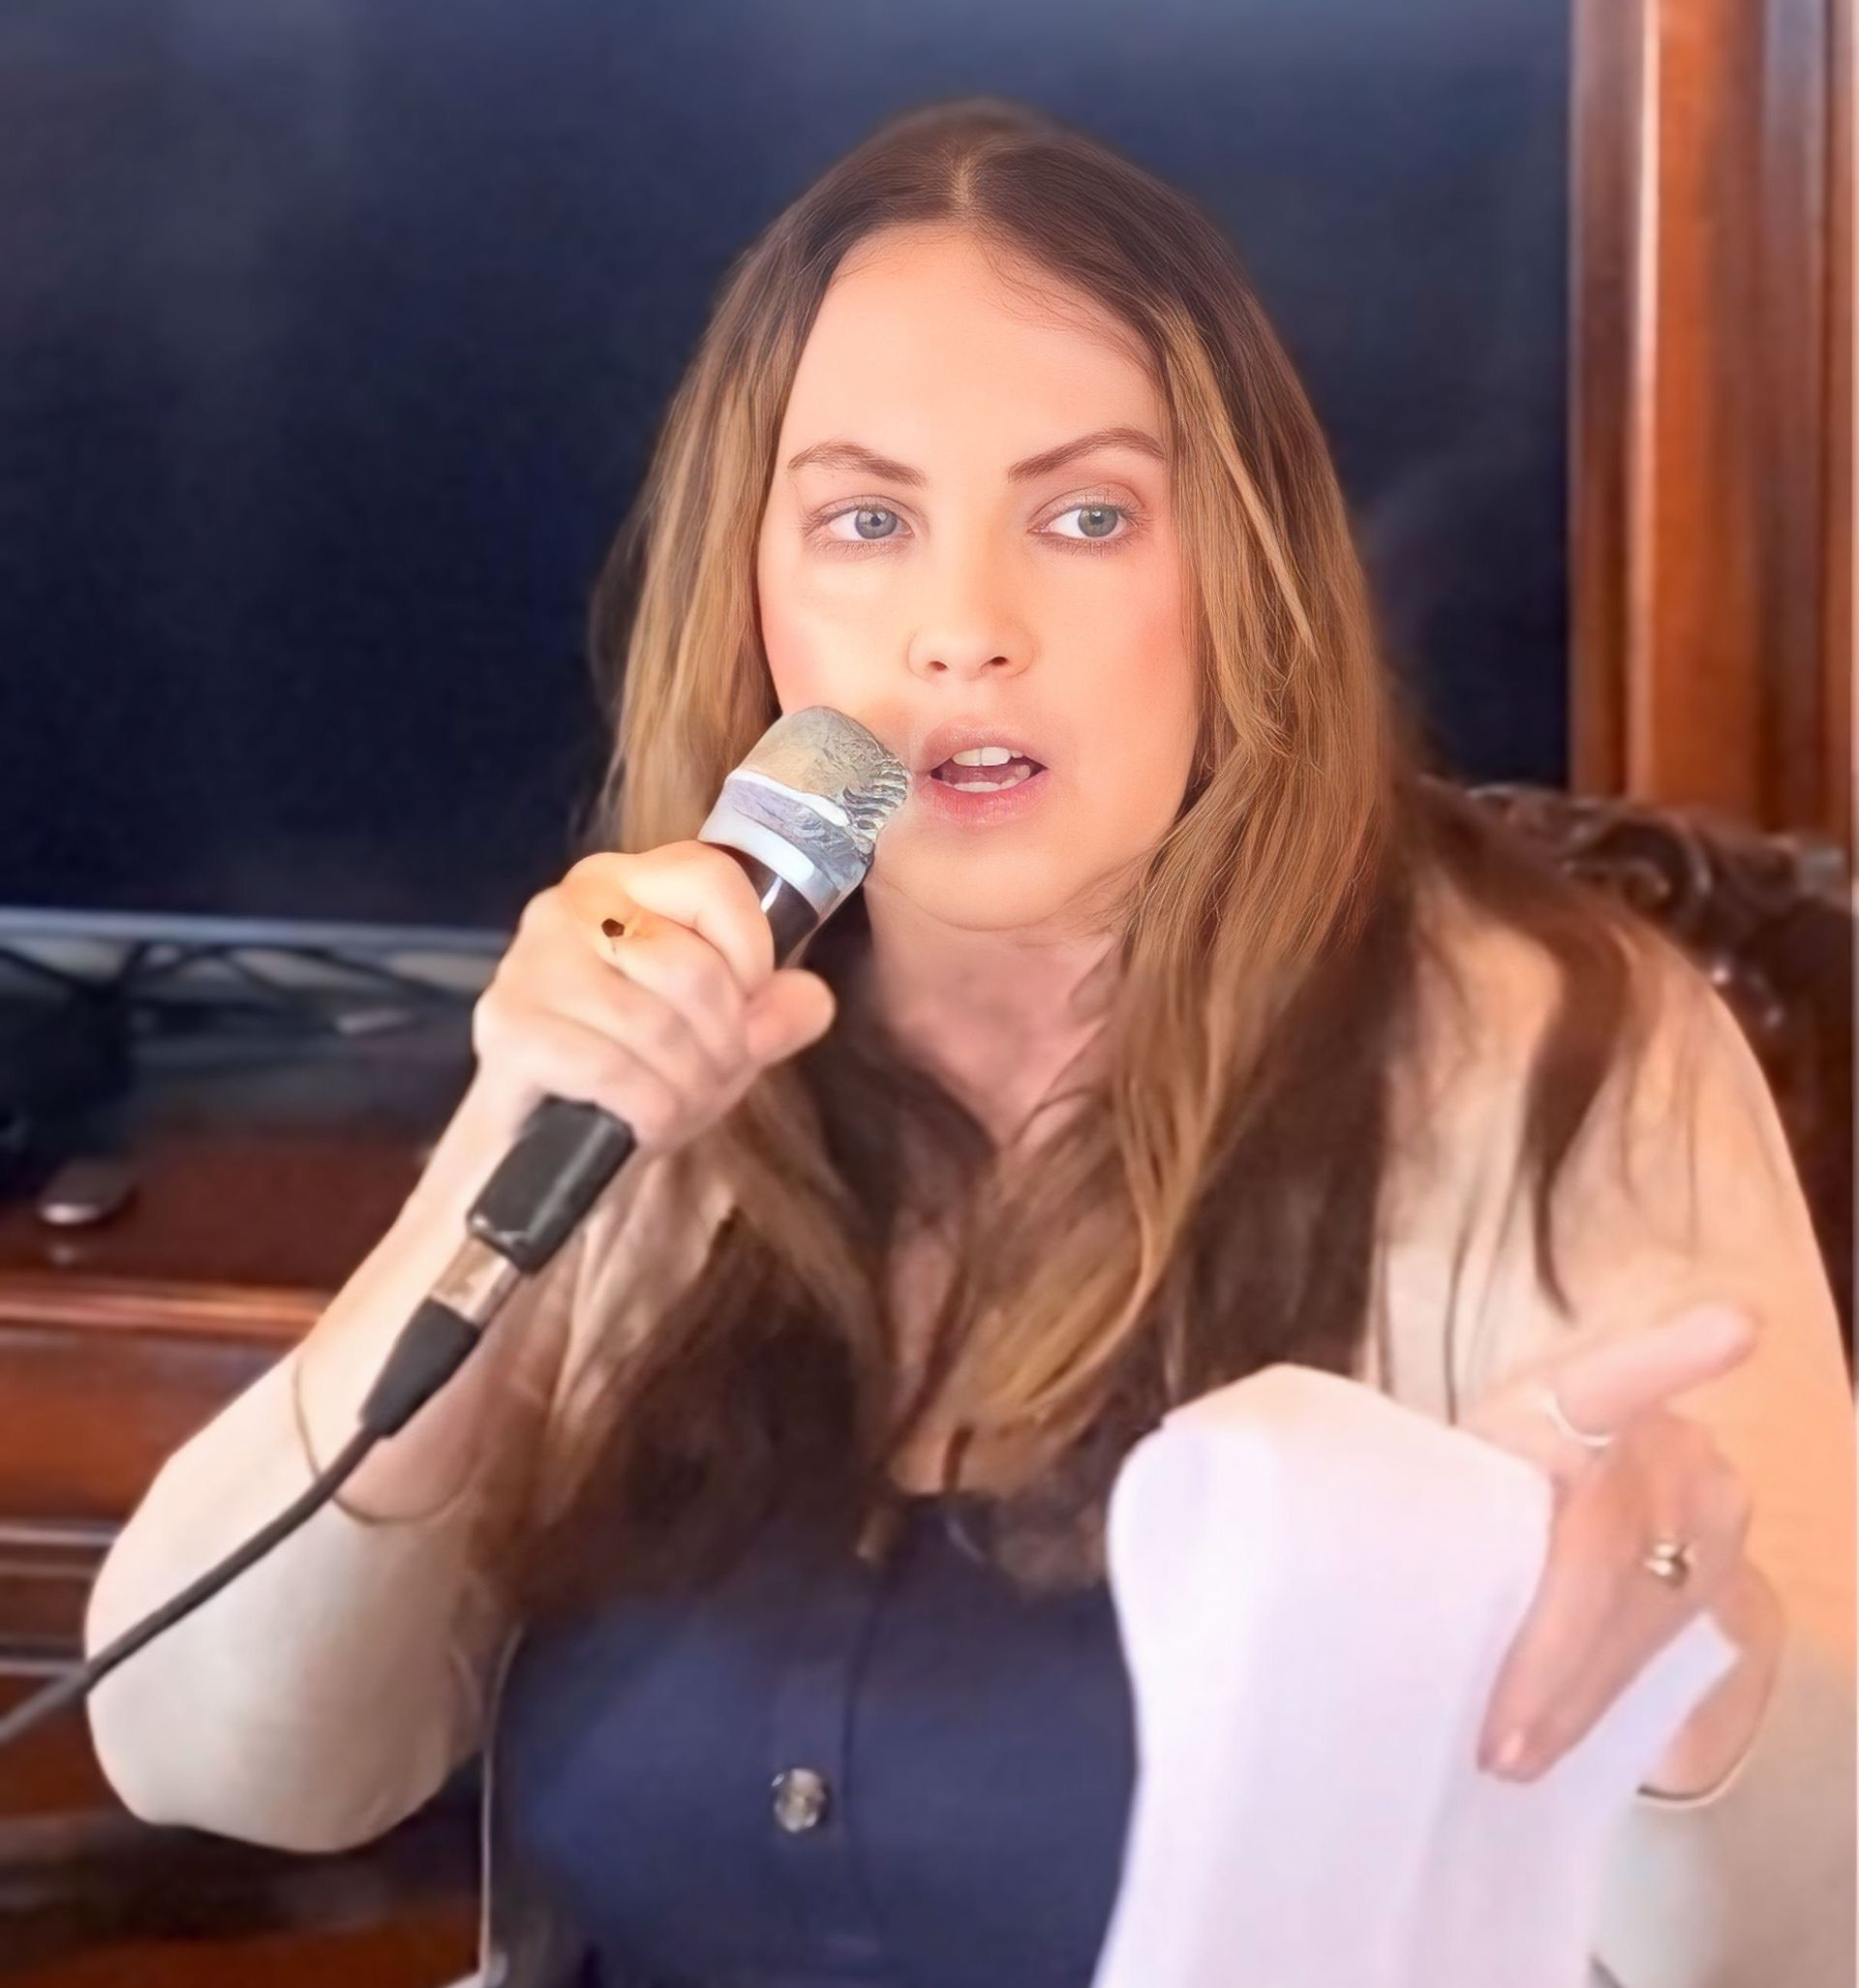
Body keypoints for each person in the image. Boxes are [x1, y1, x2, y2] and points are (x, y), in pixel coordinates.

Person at [83, 98, 1854, 1987]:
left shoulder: (1555, 1060)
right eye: (866, 520)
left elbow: (1811, 1931)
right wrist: (503, 1159)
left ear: (1235, 580)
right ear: (756, 596)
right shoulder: (659, 1055)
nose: (965, 629)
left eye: (1085, 517)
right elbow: (220, 1761)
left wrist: (1692, 1640)